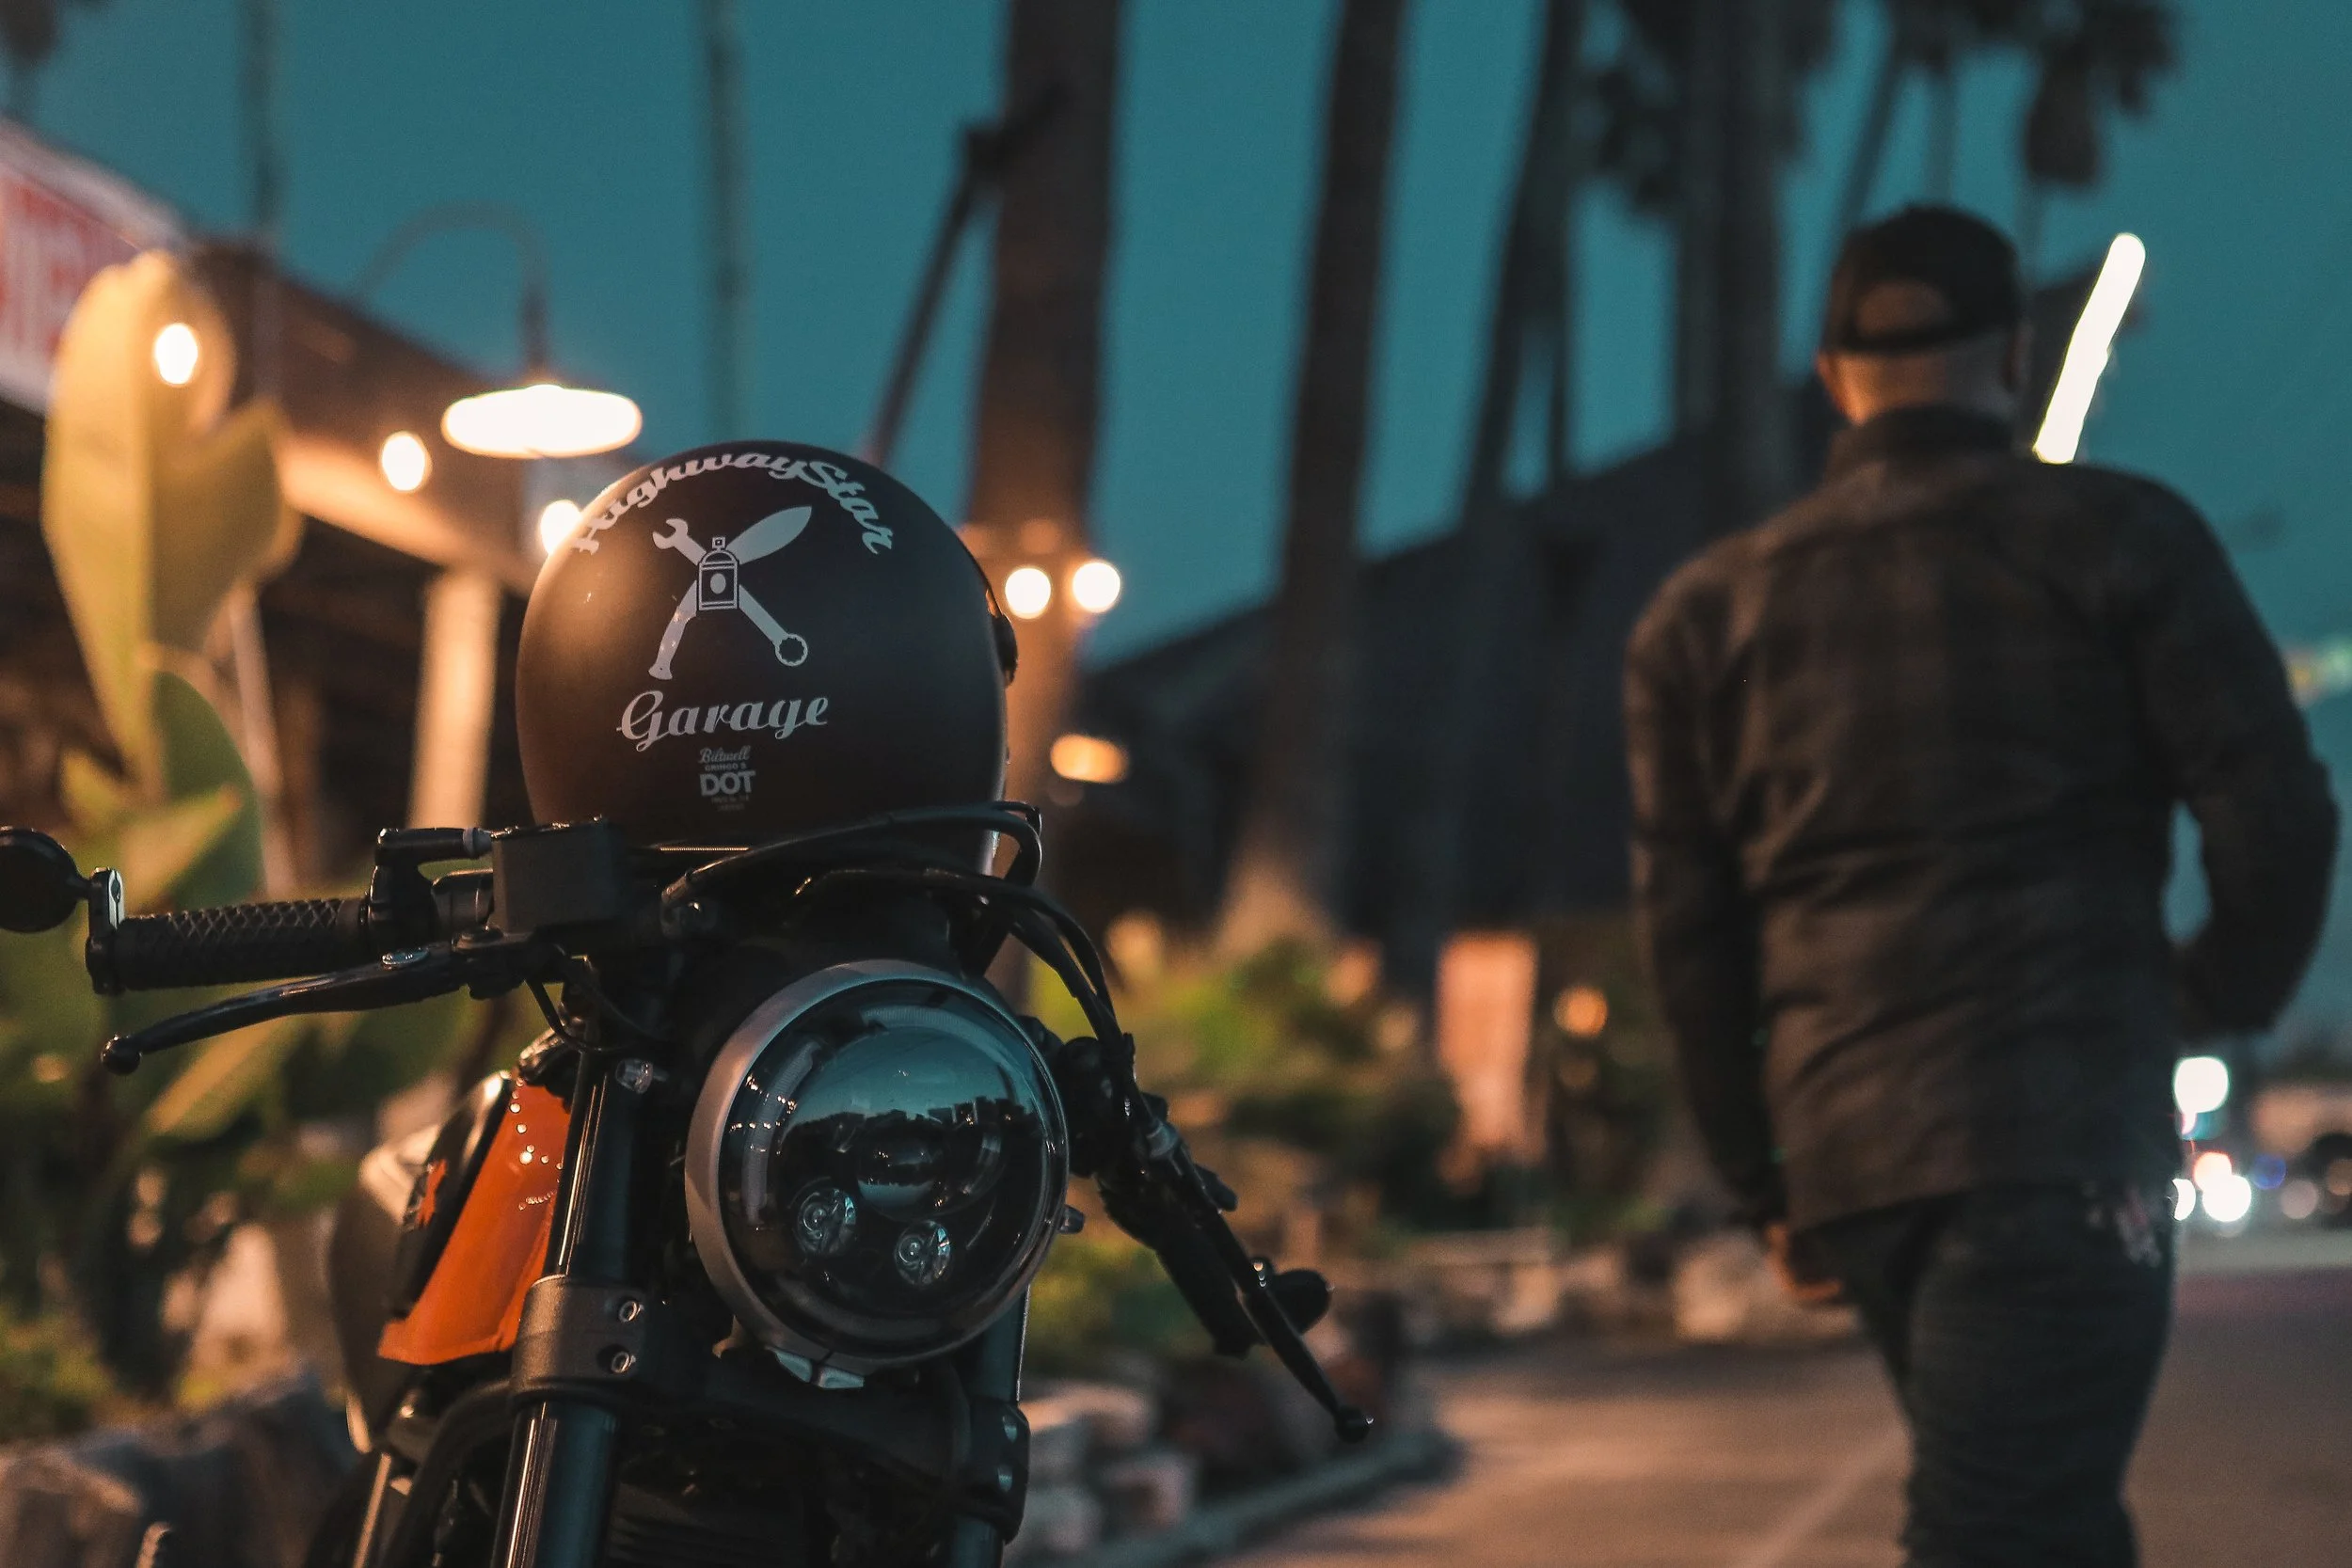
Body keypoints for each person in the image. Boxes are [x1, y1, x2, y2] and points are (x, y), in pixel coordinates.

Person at [1623, 204, 2337, 1566]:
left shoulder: (1704, 616)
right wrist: (2205, 996)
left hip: (1853, 1155)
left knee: (2029, 1506)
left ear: (1833, 376)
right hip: (2061, 1136)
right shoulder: (2118, 538)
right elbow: (2278, 810)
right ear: (2016, 354)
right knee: (2011, 1524)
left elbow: (1691, 939)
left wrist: (1763, 1182)